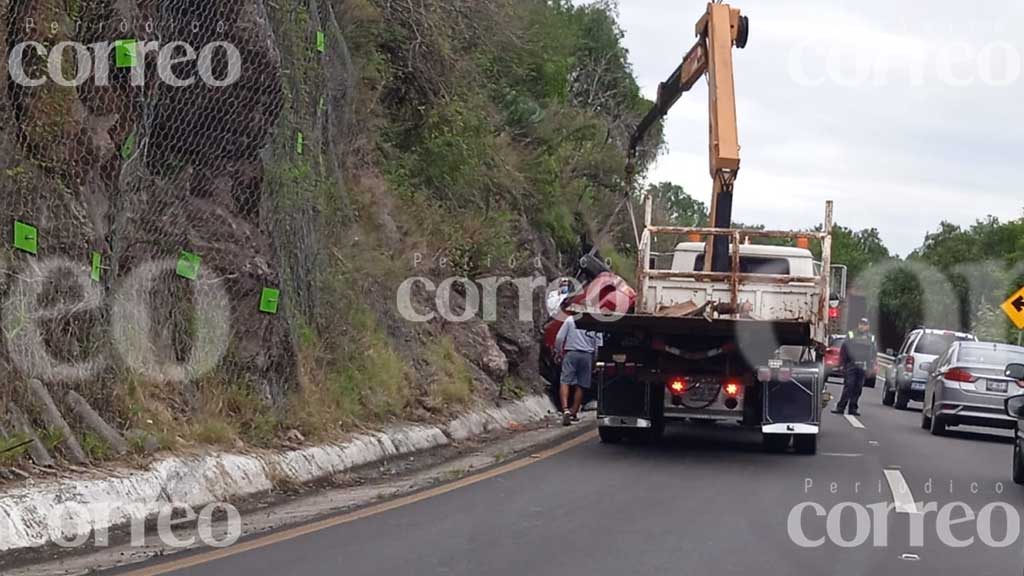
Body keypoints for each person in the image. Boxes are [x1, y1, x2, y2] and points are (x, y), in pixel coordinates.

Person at [554, 314, 602, 426]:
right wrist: (595, 360)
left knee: (565, 381)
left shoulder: (570, 320)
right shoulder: (596, 322)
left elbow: (559, 338)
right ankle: (574, 411)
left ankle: (565, 409)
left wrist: (558, 351)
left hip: (571, 353)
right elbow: (599, 344)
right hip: (587, 355)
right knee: (581, 384)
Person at [831, 318, 877, 416]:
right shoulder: (851, 335)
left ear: (868, 326)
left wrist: (870, 367)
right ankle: (841, 407)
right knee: (849, 385)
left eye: (864, 324)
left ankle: (853, 408)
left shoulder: (871, 338)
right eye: (861, 324)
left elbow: (873, 354)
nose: (862, 326)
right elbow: (844, 350)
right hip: (851, 364)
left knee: (858, 387)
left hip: (863, 366)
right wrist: (842, 365)